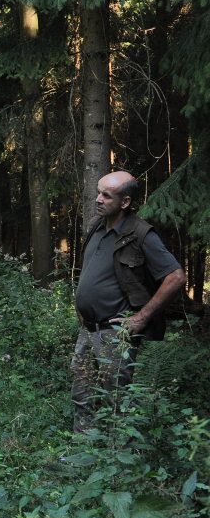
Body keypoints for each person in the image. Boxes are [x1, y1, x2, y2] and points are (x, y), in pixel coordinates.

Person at [70, 171, 185, 432]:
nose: (98, 199)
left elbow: (176, 277)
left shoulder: (141, 234)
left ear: (125, 202)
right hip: (87, 330)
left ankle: (119, 465)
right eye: (98, 192)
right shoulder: (98, 227)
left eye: (106, 195)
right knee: (82, 394)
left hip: (115, 333)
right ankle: (82, 458)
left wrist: (141, 317)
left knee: (116, 400)